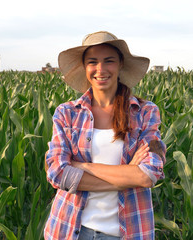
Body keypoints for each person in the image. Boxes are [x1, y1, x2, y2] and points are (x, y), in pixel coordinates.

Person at [43, 31, 166, 240]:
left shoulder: (145, 112)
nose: (101, 69)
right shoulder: (67, 113)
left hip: (127, 232)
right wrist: (128, 174)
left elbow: (148, 174)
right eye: (93, 62)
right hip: (70, 229)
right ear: (85, 68)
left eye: (109, 61)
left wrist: (82, 166)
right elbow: (57, 172)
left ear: (120, 65)